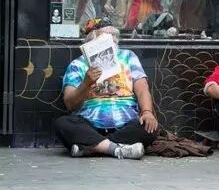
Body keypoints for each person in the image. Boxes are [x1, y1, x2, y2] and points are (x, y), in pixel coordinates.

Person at [54, 18, 159, 159]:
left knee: (150, 127)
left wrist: (147, 112)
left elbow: (142, 89)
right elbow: (69, 103)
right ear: (92, 40)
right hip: (90, 125)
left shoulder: (128, 56)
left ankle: (92, 147)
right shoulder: (77, 64)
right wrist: (86, 83)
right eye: (106, 36)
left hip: (126, 125)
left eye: (114, 35)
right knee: (62, 124)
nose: (112, 39)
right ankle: (117, 149)